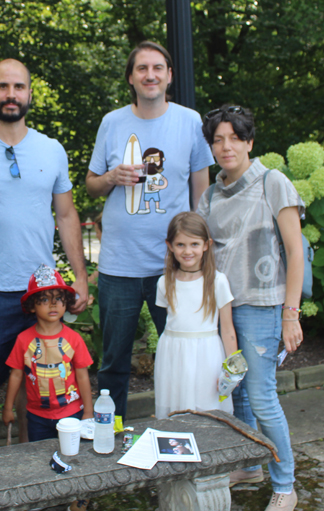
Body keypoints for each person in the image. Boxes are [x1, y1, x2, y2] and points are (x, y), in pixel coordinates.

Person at [0, 59, 88, 442]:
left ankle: (33, 475)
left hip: (42, 291)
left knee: (40, 388)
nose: (11, 95)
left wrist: (81, 280)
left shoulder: (51, 149)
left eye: (19, 87)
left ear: (29, 93)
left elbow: (66, 213)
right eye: (3, 87)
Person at [85, 41, 214, 419]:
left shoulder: (190, 121)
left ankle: (188, 426)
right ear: (131, 77)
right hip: (119, 265)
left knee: (183, 349)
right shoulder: (112, 122)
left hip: (173, 264)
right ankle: (112, 432)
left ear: (169, 75)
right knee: (113, 361)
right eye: (142, 68)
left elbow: (201, 191)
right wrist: (110, 177)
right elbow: (91, 185)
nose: (150, 75)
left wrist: (202, 250)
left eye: (158, 68)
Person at [198, 105, 304, 511]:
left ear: (249, 142)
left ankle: (285, 483)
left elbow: (295, 253)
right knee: (237, 390)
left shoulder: (271, 182)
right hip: (224, 309)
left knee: (261, 397)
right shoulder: (211, 193)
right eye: (218, 140)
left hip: (262, 306)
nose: (226, 147)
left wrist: (290, 314)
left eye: (234, 138)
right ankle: (249, 466)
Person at [3, 264, 93, 511]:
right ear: (32, 306)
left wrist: (88, 411)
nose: (53, 306)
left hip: (72, 414)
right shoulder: (24, 340)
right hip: (37, 416)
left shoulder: (74, 339)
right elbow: (15, 375)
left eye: (58, 300)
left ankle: (78, 501)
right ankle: (48, 501)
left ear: (66, 303)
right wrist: (8, 408)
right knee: (41, 460)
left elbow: (83, 377)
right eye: (44, 300)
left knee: (75, 459)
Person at [153, 212, 237, 419]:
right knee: (176, 407)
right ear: (170, 245)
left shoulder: (218, 281)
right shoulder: (165, 283)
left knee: (207, 409)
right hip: (173, 354)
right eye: (180, 245)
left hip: (206, 354)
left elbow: (227, 329)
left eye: (194, 244)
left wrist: (233, 368)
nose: (187, 251)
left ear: (206, 245)